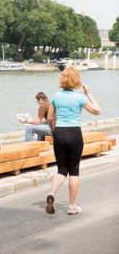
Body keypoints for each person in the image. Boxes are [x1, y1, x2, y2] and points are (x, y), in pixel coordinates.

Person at [45, 67, 100, 215]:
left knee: (62, 169)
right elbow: (97, 111)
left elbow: (50, 118)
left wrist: (54, 131)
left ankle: (52, 193)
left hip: (60, 133)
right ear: (77, 80)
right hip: (74, 133)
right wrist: (89, 94)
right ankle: (72, 206)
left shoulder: (56, 96)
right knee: (74, 171)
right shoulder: (80, 98)